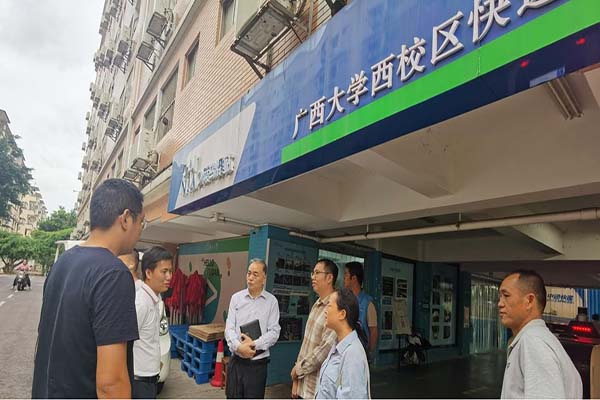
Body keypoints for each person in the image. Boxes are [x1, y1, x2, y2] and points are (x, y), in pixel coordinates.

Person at [32, 179, 145, 399]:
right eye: (141, 222)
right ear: (125, 219)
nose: (140, 230)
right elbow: (111, 384)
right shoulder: (113, 274)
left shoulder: (63, 262)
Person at [499, 269, 582, 399]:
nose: (500, 304)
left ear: (529, 301)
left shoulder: (533, 342)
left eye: (506, 295)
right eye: (500, 297)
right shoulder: (536, 338)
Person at [225, 259, 281, 399]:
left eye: (255, 274)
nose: (250, 277)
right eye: (249, 273)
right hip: (237, 362)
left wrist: (254, 344)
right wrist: (239, 347)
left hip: (257, 366)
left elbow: (274, 332)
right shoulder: (236, 298)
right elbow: (229, 328)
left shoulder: (271, 302)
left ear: (264, 278)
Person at [291, 259, 338, 399]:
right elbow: (305, 347)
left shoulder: (335, 308)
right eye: (313, 273)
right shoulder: (317, 304)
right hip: (302, 386)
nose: (313, 277)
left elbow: (324, 350)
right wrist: (296, 380)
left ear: (329, 278)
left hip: (316, 390)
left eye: (317, 273)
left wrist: (298, 370)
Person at [132, 246, 173, 399]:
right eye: (164, 271)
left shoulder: (155, 299)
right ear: (148, 273)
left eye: (170, 271)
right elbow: (125, 344)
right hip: (139, 382)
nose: (169, 277)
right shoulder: (141, 303)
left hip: (150, 379)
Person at [315, 288, 370, 399]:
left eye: (329, 306)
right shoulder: (337, 346)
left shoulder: (353, 354)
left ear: (342, 314)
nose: (325, 311)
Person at [343, 262, 378, 357]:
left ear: (354, 278)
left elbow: (373, 331)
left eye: (346, 274)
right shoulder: (343, 299)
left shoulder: (368, 303)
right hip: (343, 352)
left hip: (359, 353)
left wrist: (367, 353)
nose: (344, 277)